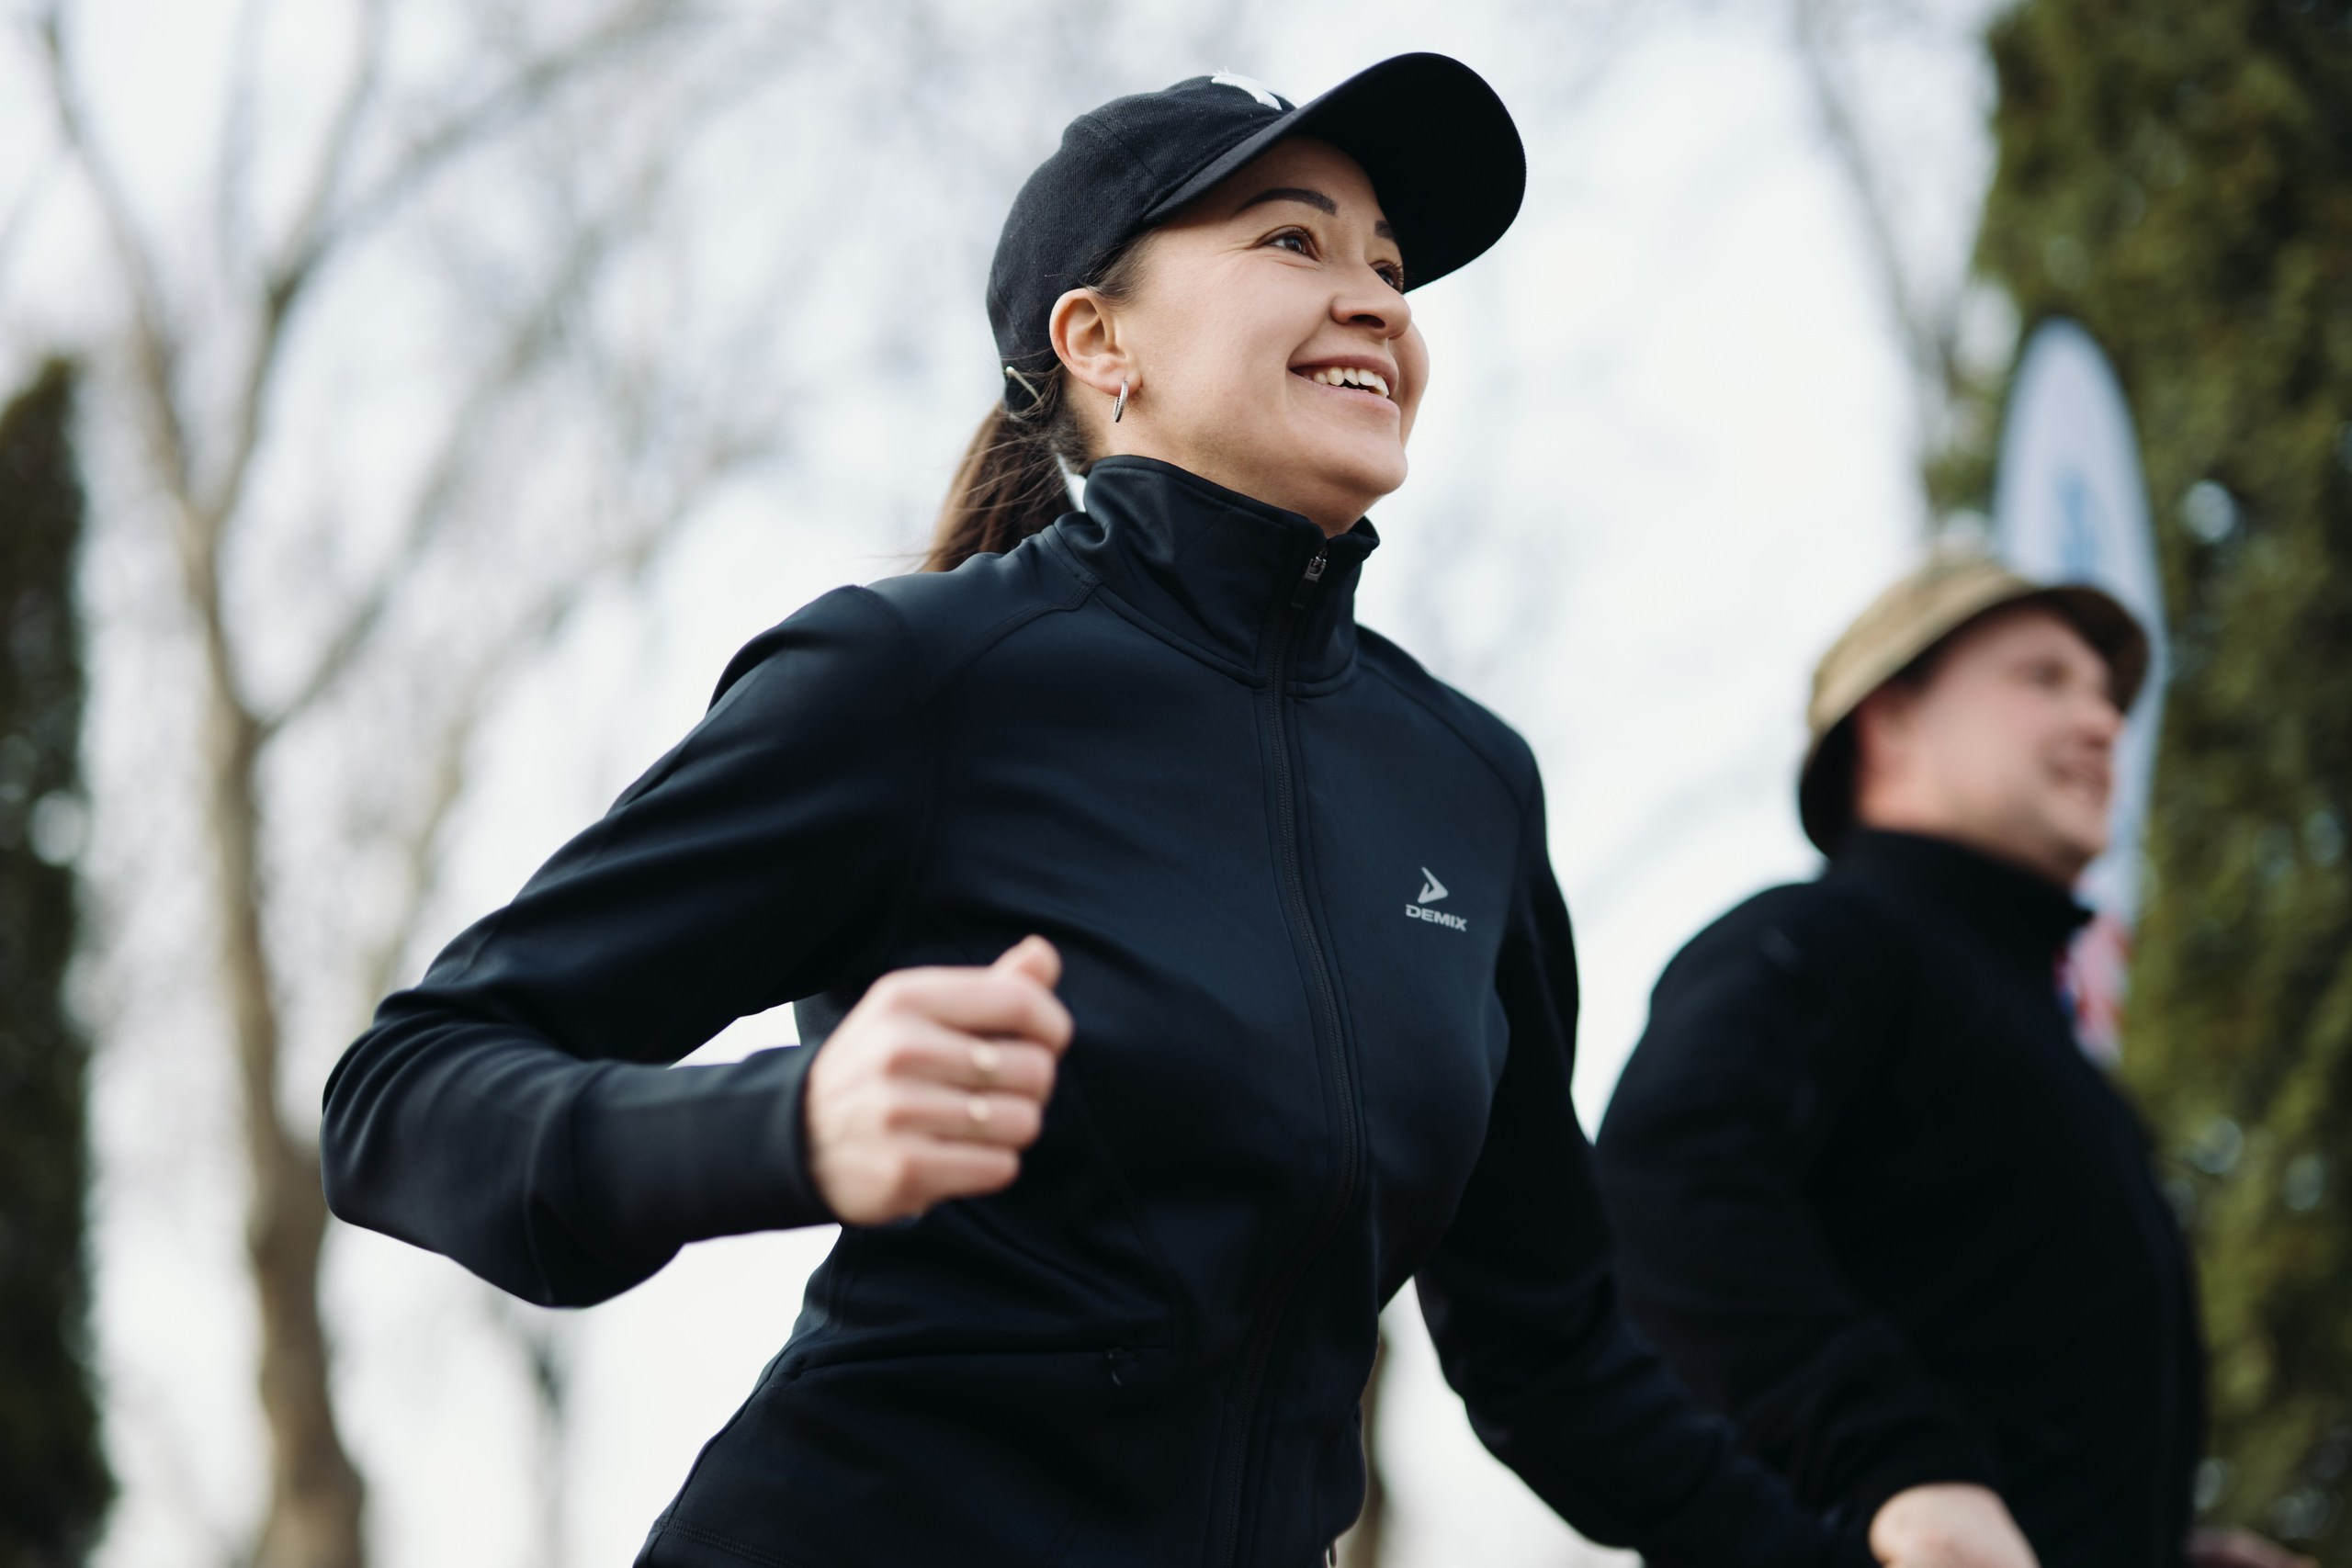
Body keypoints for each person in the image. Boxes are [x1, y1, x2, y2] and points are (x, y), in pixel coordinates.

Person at [320, 56, 1863, 1568]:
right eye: (1292, 239)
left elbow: (1557, 1355)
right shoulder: (916, 677)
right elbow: (401, 1096)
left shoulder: (1464, 782)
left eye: (1391, 265)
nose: (1380, 300)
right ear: (1098, 339)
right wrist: (784, 1121)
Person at [1593, 550, 2313, 1568]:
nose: (2104, 723)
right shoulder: (1823, 940)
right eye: (2042, 678)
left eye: (2107, 696)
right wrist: (1897, 1473)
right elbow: (1659, 1186)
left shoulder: (2046, 1046)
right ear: (1888, 723)